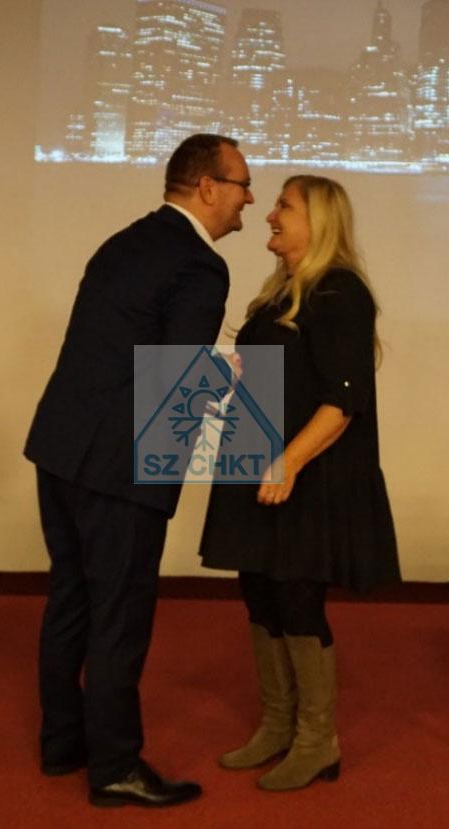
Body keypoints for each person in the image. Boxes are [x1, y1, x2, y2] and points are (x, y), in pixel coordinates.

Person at [24, 133, 254, 808]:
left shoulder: (124, 242)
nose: (249, 199)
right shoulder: (201, 266)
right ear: (207, 186)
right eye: (242, 184)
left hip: (60, 446)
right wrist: (228, 373)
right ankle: (116, 767)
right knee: (119, 615)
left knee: (71, 596)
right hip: (121, 466)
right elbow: (177, 381)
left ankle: (63, 742)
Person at [199, 174, 400, 791]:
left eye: (284, 206)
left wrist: (288, 463)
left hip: (304, 477)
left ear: (319, 222)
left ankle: (318, 742)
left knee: (296, 600)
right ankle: (278, 724)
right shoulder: (280, 293)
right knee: (260, 595)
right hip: (256, 471)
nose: (269, 215)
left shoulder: (339, 291)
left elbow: (344, 400)